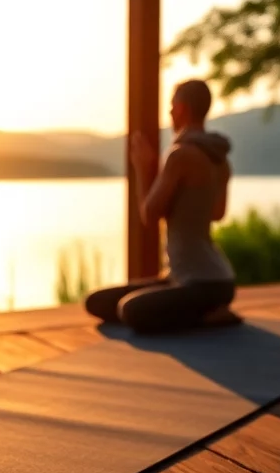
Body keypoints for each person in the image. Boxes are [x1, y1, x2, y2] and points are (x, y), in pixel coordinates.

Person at [85, 78, 238, 334]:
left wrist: (143, 169)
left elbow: (149, 214)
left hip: (200, 283)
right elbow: (216, 214)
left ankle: (208, 316)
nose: (169, 114)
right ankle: (209, 310)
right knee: (98, 301)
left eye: (170, 108)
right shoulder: (220, 161)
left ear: (180, 108)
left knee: (131, 311)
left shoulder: (179, 155)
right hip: (218, 280)